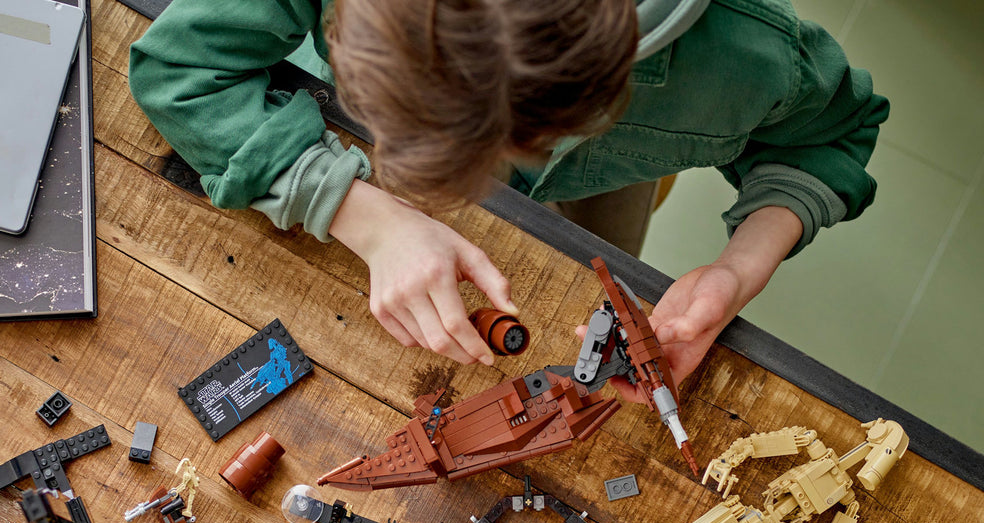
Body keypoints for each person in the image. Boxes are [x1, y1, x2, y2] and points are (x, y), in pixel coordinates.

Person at [128, 0, 888, 399]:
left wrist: (736, 270)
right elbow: (182, 69)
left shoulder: (749, 55)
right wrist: (365, 214)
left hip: (602, 187)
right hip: (349, 160)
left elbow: (831, 137)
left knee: (611, 240)